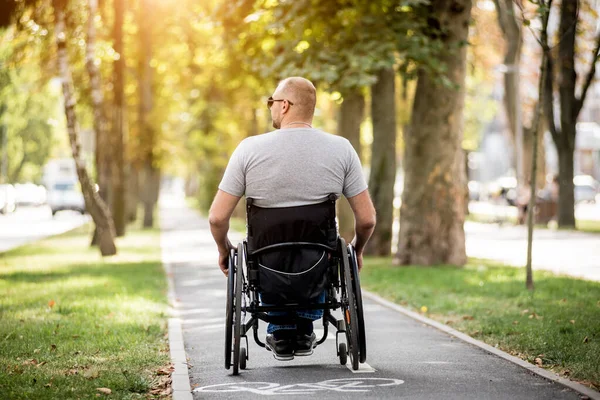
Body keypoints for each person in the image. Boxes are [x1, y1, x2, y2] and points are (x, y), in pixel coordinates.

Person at [208, 77, 376, 361]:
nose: (270, 108)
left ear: (284, 105)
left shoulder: (248, 150)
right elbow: (368, 220)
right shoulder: (342, 149)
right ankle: (304, 324)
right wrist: (356, 250)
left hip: (265, 259)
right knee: (327, 251)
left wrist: (224, 249)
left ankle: (281, 327)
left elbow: (216, 218)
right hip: (318, 260)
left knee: (267, 254)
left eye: (271, 102)